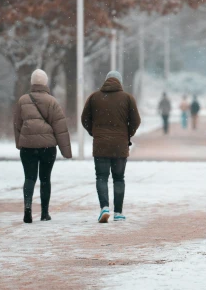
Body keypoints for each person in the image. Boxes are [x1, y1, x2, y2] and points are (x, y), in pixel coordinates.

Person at [81, 71, 141, 223]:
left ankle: (104, 208)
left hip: (100, 144)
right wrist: (128, 134)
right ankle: (118, 212)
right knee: (119, 178)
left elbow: (84, 118)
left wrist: (94, 132)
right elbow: (136, 120)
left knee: (101, 177)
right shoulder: (128, 98)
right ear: (119, 82)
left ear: (106, 81)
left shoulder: (94, 97)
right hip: (120, 145)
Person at [14, 69, 72, 224]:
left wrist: (20, 143)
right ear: (45, 83)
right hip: (47, 147)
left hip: (28, 147)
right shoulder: (52, 101)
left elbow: (17, 124)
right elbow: (60, 127)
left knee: (29, 178)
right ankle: (45, 213)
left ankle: (27, 208)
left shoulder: (22, 100)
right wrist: (66, 151)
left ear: (32, 83)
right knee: (45, 179)